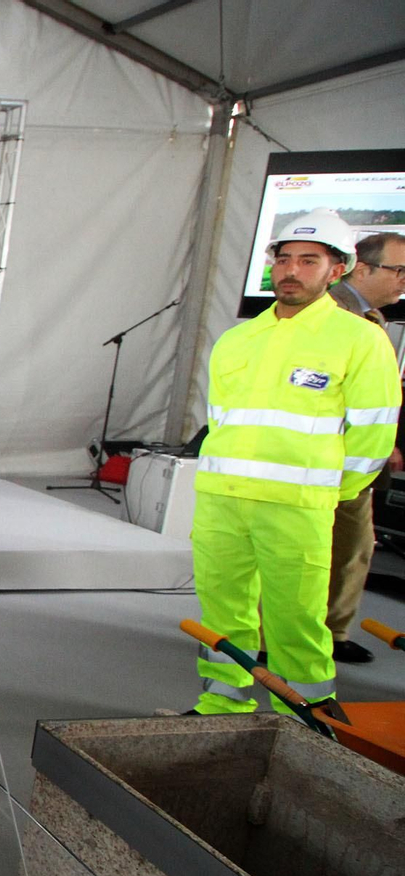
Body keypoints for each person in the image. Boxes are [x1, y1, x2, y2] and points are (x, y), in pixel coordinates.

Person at [191, 210, 399, 716]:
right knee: (223, 609)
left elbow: (374, 433)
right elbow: (220, 422)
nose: (292, 270)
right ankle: (222, 703)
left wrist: (336, 488)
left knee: (296, 615)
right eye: (284, 259)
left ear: (338, 270)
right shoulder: (238, 339)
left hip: (298, 505)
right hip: (222, 501)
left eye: (309, 260)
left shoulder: (360, 338)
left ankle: (304, 715)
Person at [324, 232, 405, 664]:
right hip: (329, 458)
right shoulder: (331, 314)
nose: (404, 281)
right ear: (363, 268)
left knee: (352, 549)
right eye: (398, 270)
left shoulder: (370, 316)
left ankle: (331, 631)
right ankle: (302, 636)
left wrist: (385, 442)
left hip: (357, 460)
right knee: (329, 549)